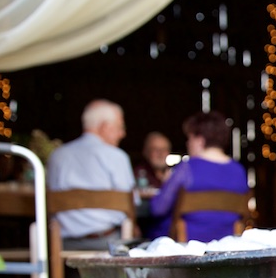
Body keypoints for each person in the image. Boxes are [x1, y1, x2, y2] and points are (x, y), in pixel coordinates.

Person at [47, 99, 135, 251]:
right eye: (120, 127)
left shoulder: (57, 155)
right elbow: (131, 204)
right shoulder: (117, 156)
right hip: (108, 244)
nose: (123, 134)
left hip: (62, 245)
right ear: (104, 127)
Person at [149, 110, 248, 242]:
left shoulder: (187, 168)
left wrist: (167, 183)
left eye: (189, 138)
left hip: (186, 246)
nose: (187, 143)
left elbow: (157, 209)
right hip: (225, 244)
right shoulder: (239, 171)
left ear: (199, 140)